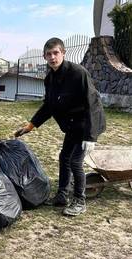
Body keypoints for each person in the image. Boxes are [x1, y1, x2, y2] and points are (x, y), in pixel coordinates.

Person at [14, 37, 106, 216]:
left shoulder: (78, 73)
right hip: (72, 125)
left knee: (75, 162)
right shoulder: (50, 79)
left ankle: (79, 201)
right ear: (44, 57)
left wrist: (91, 136)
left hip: (87, 123)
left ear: (63, 53)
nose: (52, 57)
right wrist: (30, 126)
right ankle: (62, 196)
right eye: (48, 54)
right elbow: (49, 105)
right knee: (64, 157)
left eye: (56, 53)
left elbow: (93, 103)